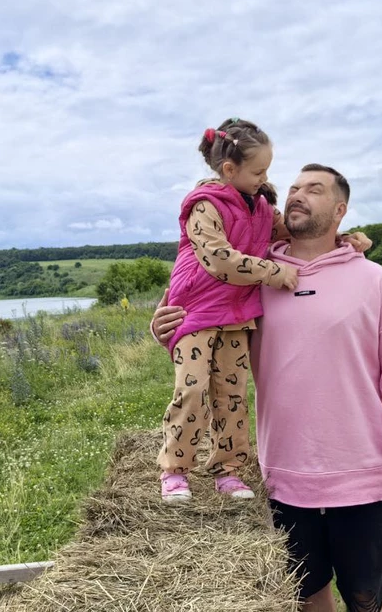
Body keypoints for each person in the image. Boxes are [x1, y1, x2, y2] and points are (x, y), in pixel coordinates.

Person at [153, 164, 382, 612]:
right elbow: (199, 308)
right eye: (295, 188)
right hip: (284, 480)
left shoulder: (375, 280)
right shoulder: (255, 278)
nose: (297, 195)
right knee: (304, 598)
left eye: (314, 189)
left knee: (365, 598)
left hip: (361, 479)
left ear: (340, 210)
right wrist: (163, 326)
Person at [157, 117, 298, 502]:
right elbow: (219, 260)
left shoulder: (263, 207)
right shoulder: (204, 206)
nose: (265, 177)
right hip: (195, 312)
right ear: (229, 169)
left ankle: (229, 471)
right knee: (193, 389)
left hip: (237, 316)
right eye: (259, 170)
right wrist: (273, 271)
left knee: (232, 394)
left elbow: (294, 233)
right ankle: (174, 471)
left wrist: (344, 239)